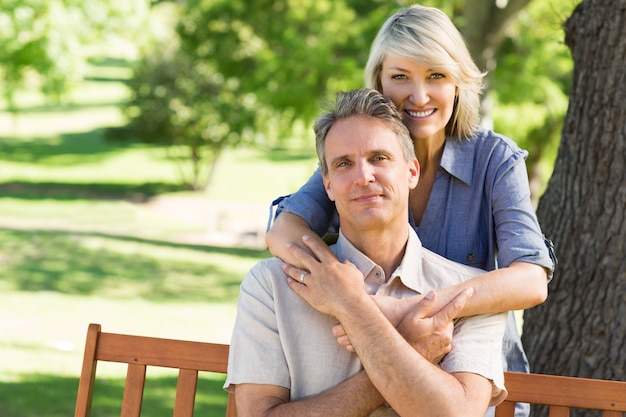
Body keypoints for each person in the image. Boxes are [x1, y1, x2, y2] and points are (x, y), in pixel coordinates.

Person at [265, 6, 556, 415]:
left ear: (457, 81)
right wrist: (347, 292)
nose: (418, 97)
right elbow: (283, 232)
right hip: (372, 377)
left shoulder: (495, 158)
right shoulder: (359, 163)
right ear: (379, 82)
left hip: (467, 382)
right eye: (400, 77)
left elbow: (530, 281)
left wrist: (400, 306)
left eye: (435, 75)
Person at [225, 88, 508, 416]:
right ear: (328, 185)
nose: (363, 176)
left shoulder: (472, 294)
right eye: (344, 164)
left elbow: (453, 414)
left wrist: (352, 304)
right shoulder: (270, 285)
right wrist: (409, 350)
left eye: (379, 158)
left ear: (411, 172)